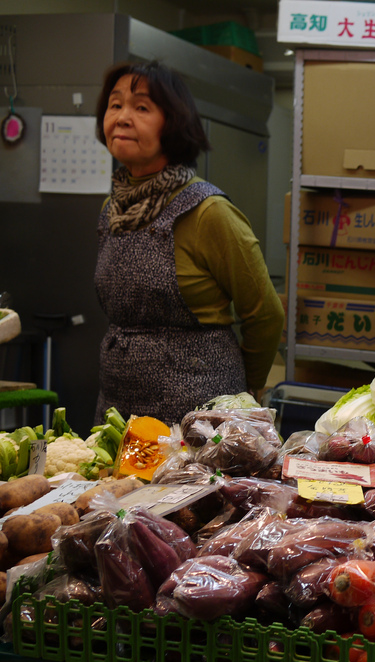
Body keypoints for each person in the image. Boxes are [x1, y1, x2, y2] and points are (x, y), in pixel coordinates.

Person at [93, 60, 284, 426]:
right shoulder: (112, 211)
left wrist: (245, 396)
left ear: (174, 122)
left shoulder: (208, 211)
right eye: (115, 105)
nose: (122, 117)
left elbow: (265, 314)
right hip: (118, 409)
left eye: (142, 107)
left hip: (197, 417)